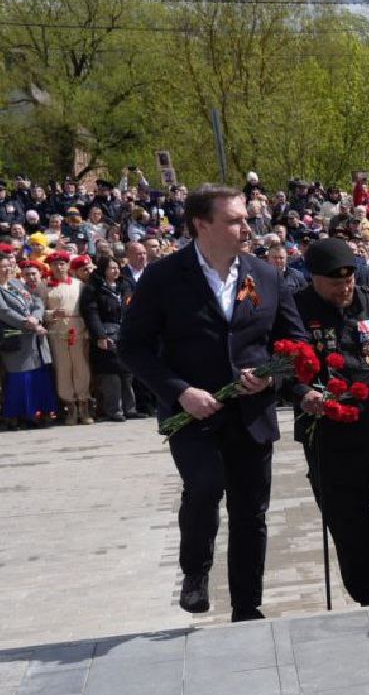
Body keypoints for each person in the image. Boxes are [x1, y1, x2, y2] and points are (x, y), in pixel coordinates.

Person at [118, 184, 306, 621]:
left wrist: (268, 377)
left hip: (251, 415)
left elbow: (295, 344)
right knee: (204, 486)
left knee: (250, 510)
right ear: (202, 225)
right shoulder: (165, 277)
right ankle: (196, 573)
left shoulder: (266, 274)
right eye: (235, 220)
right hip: (192, 413)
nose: (247, 227)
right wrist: (180, 391)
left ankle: (247, 605)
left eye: (246, 218)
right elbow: (133, 347)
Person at [288, 238, 369, 605]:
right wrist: (303, 393)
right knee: (349, 523)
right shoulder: (296, 311)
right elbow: (283, 366)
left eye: (348, 279)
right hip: (330, 438)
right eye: (334, 282)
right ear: (313, 279)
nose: (343, 288)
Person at [0, 254, 56, 429]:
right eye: (3, 266)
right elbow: (4, 312)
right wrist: (27, 322)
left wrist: (36, 318)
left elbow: (37, 301)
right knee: (20, 378)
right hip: (15, 338)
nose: (7, 269)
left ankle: (37, 412)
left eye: (9, 265)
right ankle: (16, 415)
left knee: (38, 376)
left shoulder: (16, 284)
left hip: (34, 337)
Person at [82, 255, 140, 421]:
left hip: (126, 332)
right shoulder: (93, 288)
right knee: (111, 374)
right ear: (103, 270)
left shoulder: (125, 284)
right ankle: (114, 410)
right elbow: (91, 313)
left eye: (117, 267)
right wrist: (100, 335)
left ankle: (130, 408)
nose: (116, 271)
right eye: (111, 268)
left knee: (127, 372)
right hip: (106, 333)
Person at [44, 251, 92, 424]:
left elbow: (88, 309)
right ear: (50, 267)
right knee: (63, 369)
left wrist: (87, 331)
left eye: (62, 263)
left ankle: (84, 406)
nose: (59, 267)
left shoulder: (79, 285)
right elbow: (38, 311)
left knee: (81, 368)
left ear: (67, 265)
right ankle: (70, 408)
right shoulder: (46, 286)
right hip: (57, 332)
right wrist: (51, 314)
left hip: (78, 330)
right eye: (55, 264)